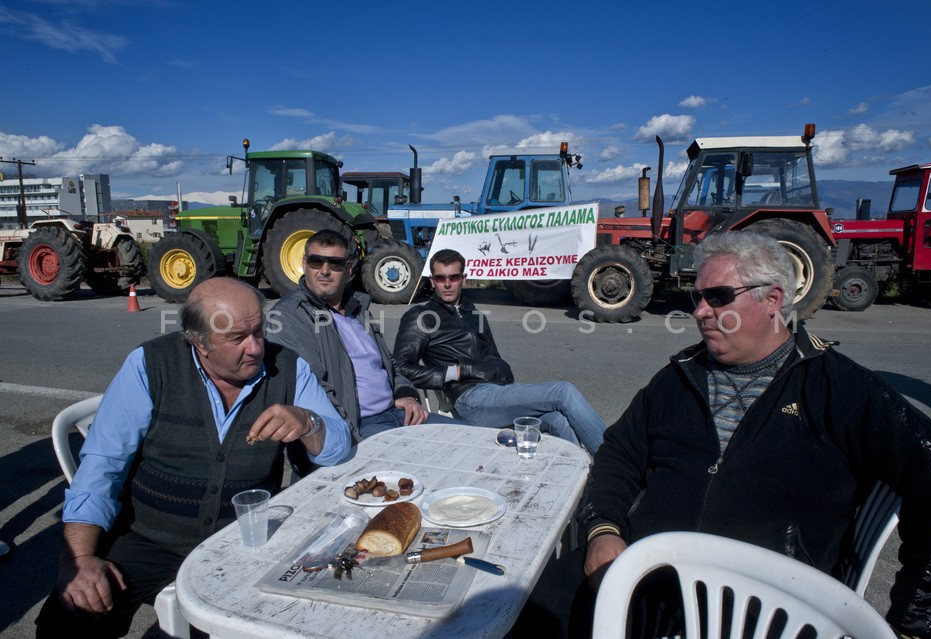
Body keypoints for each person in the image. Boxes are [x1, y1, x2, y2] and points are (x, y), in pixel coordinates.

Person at [577, 231, 931, 638]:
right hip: (648, 590)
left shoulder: (839, 388)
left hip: (764, 614)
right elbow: (620, 450)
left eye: (718, 296)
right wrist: (603, 528)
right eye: (698, 297)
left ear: (772, 300)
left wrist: (915, 624)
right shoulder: (680, 376)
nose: (700, 312)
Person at [35, 277, 352, 638]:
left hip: (243, 542)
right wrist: (78, 560)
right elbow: (102, 465)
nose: (255, 348)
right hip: (151, 538)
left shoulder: (289, 367)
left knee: (293, 617)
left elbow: (339, 450)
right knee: (67, 618)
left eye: (259, 332)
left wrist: (308, 421)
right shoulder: (152, 364)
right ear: (197, 342)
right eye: (236, 338)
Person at [393, 248, 607, 454]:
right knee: (563, 392)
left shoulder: (473, 314)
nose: (447, 284)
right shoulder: (421, 316)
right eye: (440, 278)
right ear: (432, 281)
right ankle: (614, 460)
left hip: (498, 393)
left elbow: (493, 358)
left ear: (464, 279)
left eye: (454, 277)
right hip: (471, 398)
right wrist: (455, 372)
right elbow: (401, 366)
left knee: (558, 418)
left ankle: (582, 480)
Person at [267, 230, 463, 447]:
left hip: (396, 413)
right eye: (316, 262)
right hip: (356, 426)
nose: (324, 271)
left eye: (335, 264)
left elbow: (390, 364)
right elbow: (313, 391)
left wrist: (406, 394)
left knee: (469, 440)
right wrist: (350, 439)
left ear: (349, 269)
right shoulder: (291, 316)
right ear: (305, 264)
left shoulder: (358, 309)